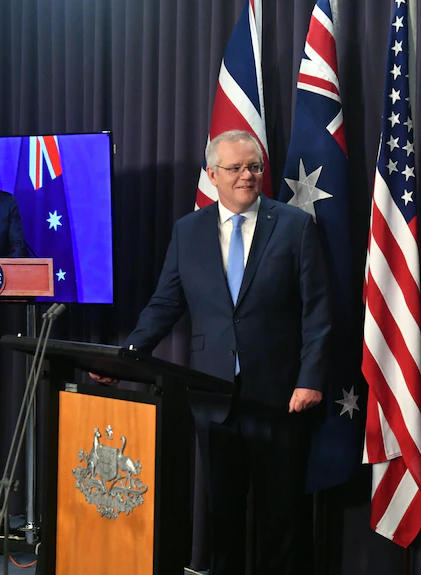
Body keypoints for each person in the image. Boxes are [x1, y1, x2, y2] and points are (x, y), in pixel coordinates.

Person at [93, 130, 331, 575]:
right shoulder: (189, 231)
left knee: (281, 517)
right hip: (212, 395)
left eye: (254, 167)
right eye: (235, 168)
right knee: (223, 516)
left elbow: (318, 312)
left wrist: (311, 378)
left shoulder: (294, 226)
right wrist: (124, 358)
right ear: (212, 175)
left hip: (280, 396)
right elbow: (165, 304)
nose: (247, 176)